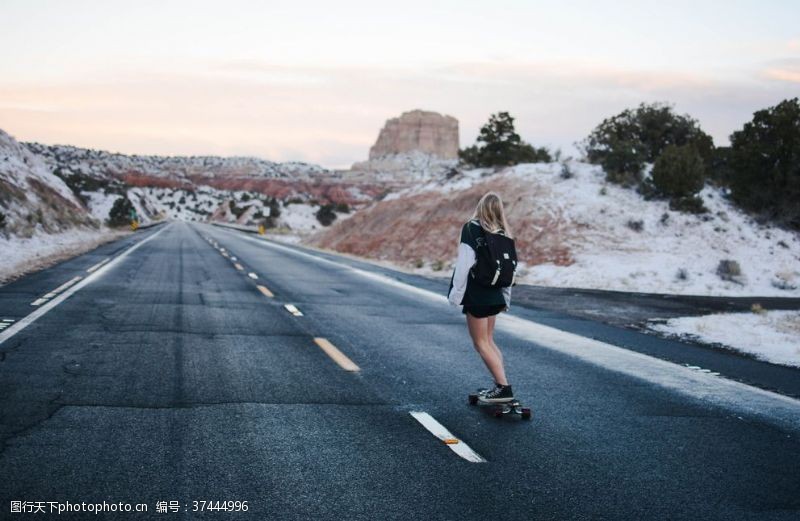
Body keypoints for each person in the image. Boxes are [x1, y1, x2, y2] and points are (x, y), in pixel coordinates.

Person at [447, 192, 514, 403]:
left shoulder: (471, 228)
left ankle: (503, 387)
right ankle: (499, 385)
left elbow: (464, 264)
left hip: (477, 295)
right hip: (495, 295)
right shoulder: (503, 232)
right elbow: (510, 270)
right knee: (489, 341)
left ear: (480, 207)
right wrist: (506, 299)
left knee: (480, 344)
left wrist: (455, 295)